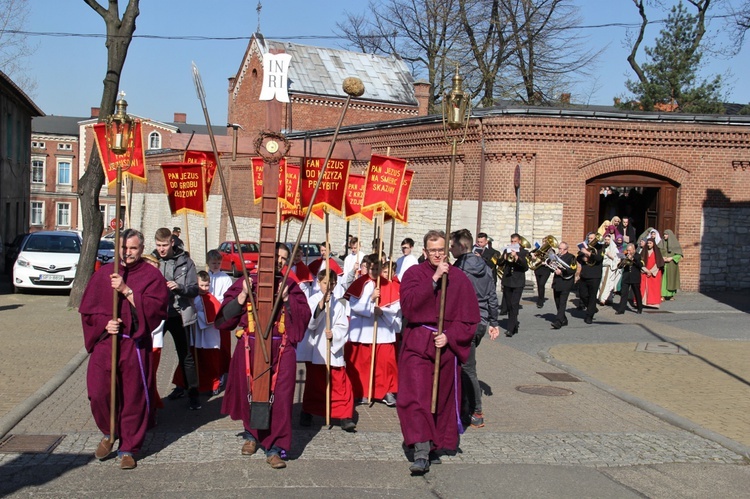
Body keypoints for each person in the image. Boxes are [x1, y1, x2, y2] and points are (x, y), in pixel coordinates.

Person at [80, 229, 169, 470]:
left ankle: (129, 447)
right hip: (106, 343)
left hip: (133, 343)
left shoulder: (151, 275)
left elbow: (156, 310)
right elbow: (89, 312)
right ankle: (110, 433)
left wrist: (127, 291)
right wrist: (103, 324)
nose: (127, 253)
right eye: (124, 248)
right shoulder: (104, 274)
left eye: (132, 248)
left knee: (133, 397)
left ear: (141, 249)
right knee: (98, 392)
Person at [216, 242, 311, 469]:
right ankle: (251, 435)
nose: (279, 261)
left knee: (280, 399)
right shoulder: (246, 281)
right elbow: (223, 319)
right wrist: (242, 297)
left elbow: (303, 318)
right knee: (249, 391)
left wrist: (287, 301)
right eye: (275, 256)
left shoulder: (290, 285)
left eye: (283, 258)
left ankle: (275, 447)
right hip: (249, 347)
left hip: (281, 349)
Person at [397, 229, 479, 475]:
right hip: (417, 344)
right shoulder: (414, 274)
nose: (436, 254)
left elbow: (469, 321)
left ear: (447, 250)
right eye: (432, 250)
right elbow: (409, 306)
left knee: (439, 399)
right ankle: (421, 450)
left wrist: (450, 336)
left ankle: (433, 443)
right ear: (424, 251)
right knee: (416, 397)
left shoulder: (459, 279)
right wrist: (433, 279)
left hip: (444, 347)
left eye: (441, 250)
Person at [449, 229, 499, 429]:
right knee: (463, 365)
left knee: (467, 367)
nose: (450, 249)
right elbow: (492, 296)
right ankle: (465, 405)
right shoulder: (485, 266)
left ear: (462, 246)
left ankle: (476, 411)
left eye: (452, 245)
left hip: (466, 321)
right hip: (481, 322)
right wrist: (493, 322)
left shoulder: (459, 268)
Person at [297, 269, 356, 432]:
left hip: (332, 349)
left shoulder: (339, 303)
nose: (328, 286)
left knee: (339, 384)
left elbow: (343, 326)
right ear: (319, 283)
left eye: (331, 283)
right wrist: (322, 304)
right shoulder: (312, 300)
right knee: (315, 384)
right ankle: (309, 411)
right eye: (325, 283)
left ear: (335, 284)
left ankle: (344, 415)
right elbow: (311, 324)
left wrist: (335, 334)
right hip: (317, 350)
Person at [152, 227, 201, 410]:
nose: (161, 249)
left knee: (186, 355)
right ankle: (149, 394)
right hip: (158, 314)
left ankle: (193, 394)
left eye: (164, 245)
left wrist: (179, 287)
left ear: (172, 242)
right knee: (151, 353)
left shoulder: (186, 262)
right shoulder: (151, 260)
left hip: (179, 313)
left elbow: (194, 289)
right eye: (158, 245)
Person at [344, 254, 401, 406]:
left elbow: (395, 307)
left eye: (377, 269)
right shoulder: (360, 283)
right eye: (372, 269)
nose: (374, 272)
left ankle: (386, 392)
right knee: (362, 364)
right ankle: (362, 392)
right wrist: (370, 300)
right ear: (367, 268)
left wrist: (382, 312)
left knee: (385, 363)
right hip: (363, 329)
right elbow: (354, 305)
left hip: (382, 329)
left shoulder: (387, 284)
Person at [171, 271, 223, 395]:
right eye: (201, 285)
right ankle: (182, 385)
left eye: (206, 285)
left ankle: (213, 384)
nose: (204, 289)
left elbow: (213, 316)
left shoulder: (211, 299)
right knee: (189, 360)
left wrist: (196, 315)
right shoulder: (191, 297)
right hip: (195, 334)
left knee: (210, 361)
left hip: (208, 336)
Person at [206, 249, 234, 392]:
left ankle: (223, 373)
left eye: (218, 263)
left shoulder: (225, 278)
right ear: (208, 263)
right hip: (206, 317)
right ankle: (211, 374)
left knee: (223, 346)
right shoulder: (206, 277)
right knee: (210, 348)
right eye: (213, 263)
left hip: (221, 316)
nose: (216, 265)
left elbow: (228, 297)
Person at [499, 233, 529, 337]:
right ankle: (514, 324)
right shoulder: (507, 250)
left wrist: (516, 257)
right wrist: (503, 257)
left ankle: (510, 328)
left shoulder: (524, 252)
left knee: (514, 304)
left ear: (519, 242)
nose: (513, 243)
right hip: (507, 281)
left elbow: (526, 267)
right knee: (508, 305)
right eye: (512, 241)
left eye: (515, 241)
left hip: (518, 282)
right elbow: (500, 263)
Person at [576, 232, 604, 324]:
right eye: (589, 238)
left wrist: (588, 253)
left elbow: (599, 258)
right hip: (585, 274)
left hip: (595, 275)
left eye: (592, 238)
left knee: (592, 296)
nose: (590, 240)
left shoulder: (600, 247)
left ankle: (589, 316)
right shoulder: (584, 247)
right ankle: (592, 308)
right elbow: (578, 257)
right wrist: (582, 258)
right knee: (583, 294)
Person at [550, 242, 577, 329]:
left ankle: (558, 322)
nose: (560, 250)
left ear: (566, 249)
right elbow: (552, 269)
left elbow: (573, 270)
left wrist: (561, 272)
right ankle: (564, 319)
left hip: (566, 283)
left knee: (562, 303)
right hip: (557, 282)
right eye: (559, 248)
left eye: (562, 249)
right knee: (557, 302)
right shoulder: (556, 257)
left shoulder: (571, 257)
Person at [616, 243, 643, 315]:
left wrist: (633, 259)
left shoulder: (638, 256)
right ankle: (621, 309)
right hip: (626, 276)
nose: (628, 252)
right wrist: (622, 262)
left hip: (635, 277)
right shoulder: (624, 255)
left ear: (634, 250)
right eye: (627, 250)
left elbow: (640, 265)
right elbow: (619, 266)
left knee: (636, 293)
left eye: (630, 250)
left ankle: (639, 307)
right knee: (624, 293)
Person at [597, 233, 622, 306]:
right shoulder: (603, 247)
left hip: (609, 268)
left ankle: (604, 299)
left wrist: (611, 256)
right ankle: (604, 298)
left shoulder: (614, 248)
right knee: (603, 283)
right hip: (603, 267)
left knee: (608, 283)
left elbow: (618, 259)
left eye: (608, 240)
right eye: (605, 239)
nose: (606, 241)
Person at [640, 237, 664, 308]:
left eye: (650, 243)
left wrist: (651, 271)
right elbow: (641, 262)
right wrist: (646, 270)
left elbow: (658, 263)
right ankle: (643, 302)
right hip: (645, 272)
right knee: (643, 287)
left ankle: (653, 303)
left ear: (653, 244)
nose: (649, 245)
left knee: (653, 288)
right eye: (648, 243)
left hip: (654, 272)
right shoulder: (644, 252)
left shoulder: (657, 252)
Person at [659, 229, 682, 301]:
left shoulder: (675, 244)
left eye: (666, 234)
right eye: (664, 234)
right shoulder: (661, 242)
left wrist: (671, 258)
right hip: (663, 265)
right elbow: (657, 252)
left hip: (672, 265)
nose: (664, 236)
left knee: (671, 280)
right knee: (663, 281)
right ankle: (662, 295)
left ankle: (670, 295)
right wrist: (662, 258)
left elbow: (679, 255)